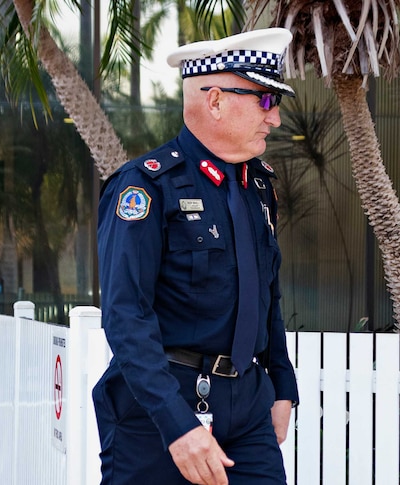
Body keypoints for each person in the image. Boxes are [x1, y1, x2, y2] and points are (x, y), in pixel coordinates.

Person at [93, 28, 300, 485]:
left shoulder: (258, 185)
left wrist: (282, 385)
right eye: (266, 101)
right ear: (216, 101)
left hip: (246, 406)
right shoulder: (146, 186)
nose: (276, 118)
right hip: (159, 409)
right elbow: (126, 315)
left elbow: (268, 293)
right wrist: (177, 424)